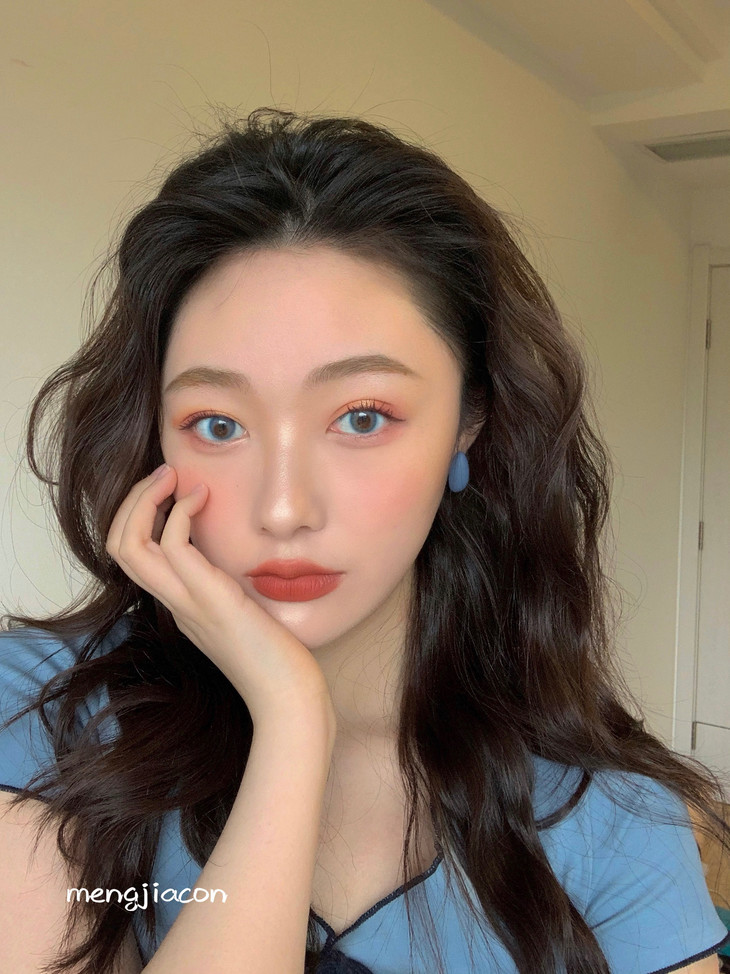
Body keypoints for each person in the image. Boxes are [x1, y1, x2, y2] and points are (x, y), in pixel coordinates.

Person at [0, 106, 728, 974]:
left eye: (362, 416)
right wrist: (292, 721)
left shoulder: (614, 820)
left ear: (469, 421)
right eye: (218, 424)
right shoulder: (41, 715)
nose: (283, 509)